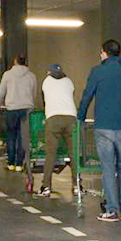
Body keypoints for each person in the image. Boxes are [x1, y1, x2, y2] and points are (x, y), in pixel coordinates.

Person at [77, 39, 121, 221]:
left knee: (108, 167)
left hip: (103, 126)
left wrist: (80, 116)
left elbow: (87, 95)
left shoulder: (97, 71)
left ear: (104, 53)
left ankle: (112, 209)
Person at [35, 64, 79, 197]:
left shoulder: (46, 81)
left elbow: (44, 100)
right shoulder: (69, 81)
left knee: (51, 153)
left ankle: (46, 186)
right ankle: (77, 185)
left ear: (50, 73)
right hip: (71, 117)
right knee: (73, 154)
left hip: (53, 118)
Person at [0, 54, 36, 172]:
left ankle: (11, 163)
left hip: (12, 109)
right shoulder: (31, 76)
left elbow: (2, 91)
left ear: (15, 61)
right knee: (22, 136)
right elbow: (33, 92)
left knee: (11, 135)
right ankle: (19, 164)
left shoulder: (7, 75)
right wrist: (31, 104)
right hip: (26, 109)